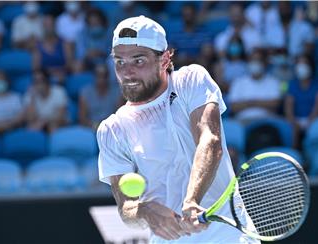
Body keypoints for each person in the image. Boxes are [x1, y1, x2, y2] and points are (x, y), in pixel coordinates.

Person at [97, 16, 258, 243]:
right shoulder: (111, 129)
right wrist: (145, 211)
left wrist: (191, 201)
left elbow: (210, 142)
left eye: (138, 61)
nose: (127, 72)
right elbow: (126, 209)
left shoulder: (191, 80)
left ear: (164, 59)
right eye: (119, 62)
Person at [228, 49, 281, 122]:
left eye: (258, 60)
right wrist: (263, 103)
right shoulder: (238, 82)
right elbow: (233, 107)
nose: (255, 63)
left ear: (264, 63)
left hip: (267, 120)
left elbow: (275, 104)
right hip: (243, 121)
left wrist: (250, 103)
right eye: (252, 60)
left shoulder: (273, 82)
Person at [284, 55, 318, 148]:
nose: (301, 66)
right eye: (299, 63)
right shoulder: (292, 84)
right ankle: (294, 155)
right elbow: (288, 108)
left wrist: (310, 122)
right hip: (296, 120)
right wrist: (293, 122)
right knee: (292, 130)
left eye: (304, 63)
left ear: (311, 66)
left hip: (314, 119)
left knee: (316, 129)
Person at [78, 63, 120, 130]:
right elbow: (82, 118)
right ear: (94, 76)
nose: (102, 79)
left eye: (104, 76)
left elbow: (119, 116)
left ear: (108, 77)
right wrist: (93, 125)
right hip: (91, 128)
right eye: (99, 76)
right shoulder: (85, 92)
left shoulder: (117, 92)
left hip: (112, 128)